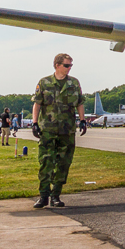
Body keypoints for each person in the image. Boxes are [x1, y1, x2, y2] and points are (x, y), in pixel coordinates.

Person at [31, 53, 85, 209]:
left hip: (67, 131)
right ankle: (43, 196)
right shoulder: (45, 82)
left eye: (70, 66)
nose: (69, 68)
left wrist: (82, 120)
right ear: (57, 65)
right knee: (46, 162)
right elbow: (37, 103)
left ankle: (56, 195)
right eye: (67, 65)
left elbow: (79, 103)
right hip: (48, 130)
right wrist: (35, 123)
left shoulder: (74, 83)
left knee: (63, 163)